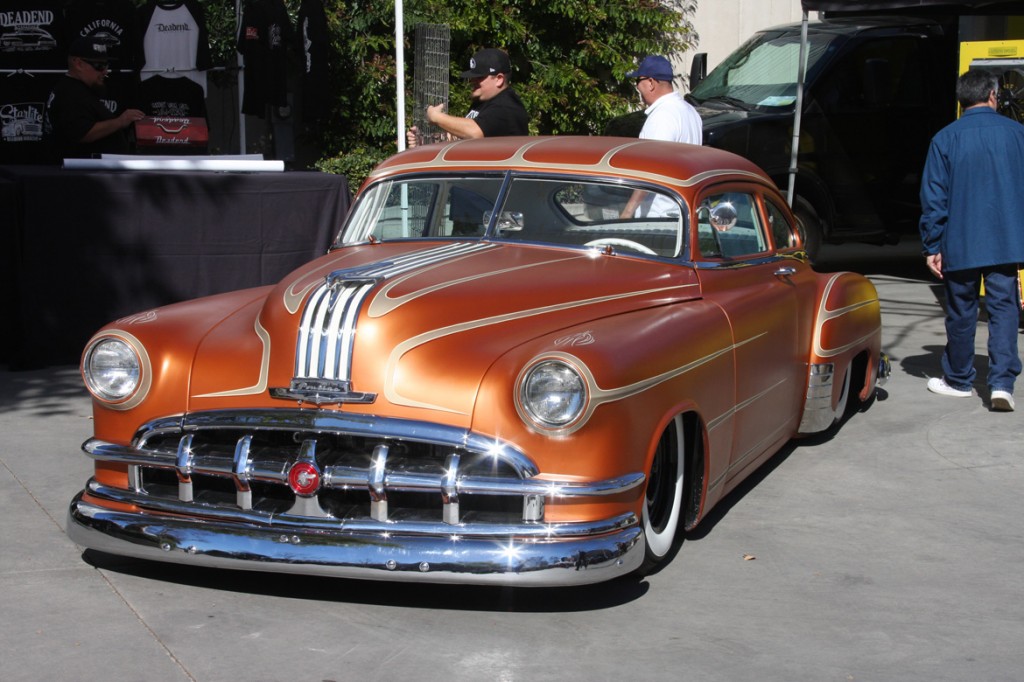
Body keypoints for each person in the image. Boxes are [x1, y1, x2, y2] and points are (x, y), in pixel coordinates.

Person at [919, 69, 1024, 412]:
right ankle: (1002, 384)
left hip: (960, 240)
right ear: (994, 95)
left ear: (962, 100)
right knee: (1004, 309)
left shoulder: (944, 139)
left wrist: (932, 245)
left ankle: (959, 379)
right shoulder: (1017, 134)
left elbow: (934, 198)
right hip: (1006, 240)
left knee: (962, 310)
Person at [619, 55, 702, 219]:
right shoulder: (690, 112)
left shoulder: (662, 117)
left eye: (638, 82)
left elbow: (650, 168)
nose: (638, 90)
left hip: (657, 217)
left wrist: (627, 213)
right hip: (680, 211)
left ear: (650, 83)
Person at [42, 36, 145, 160]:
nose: (105, 71)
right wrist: (120, 121)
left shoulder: (79, 88)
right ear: (78, 64)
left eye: (106, 65)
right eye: (99, 65)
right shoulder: (69, 93)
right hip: (79, 173)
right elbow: (82, 133)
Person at [406, 48, 529, 148]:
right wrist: (425, 140)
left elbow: (475, 132)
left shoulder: (507, 106)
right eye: (472, 77)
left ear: (499, 79)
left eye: (480, 77)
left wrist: (436, 117)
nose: (472, 81)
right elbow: (461, 136)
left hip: (498, 178)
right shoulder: (482, 102)